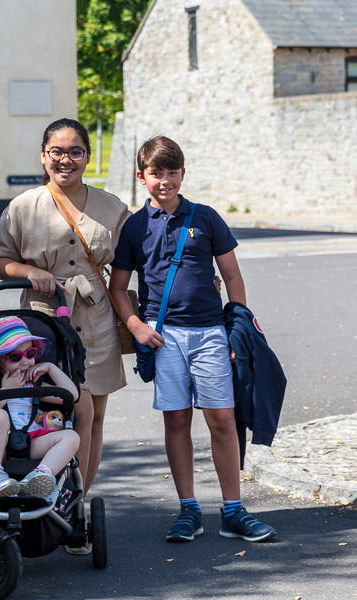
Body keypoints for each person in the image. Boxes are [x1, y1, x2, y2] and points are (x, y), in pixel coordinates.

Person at [109, 135, 277, 543]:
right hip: (162, 339)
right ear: (141, 177)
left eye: (172, 173)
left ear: (183, 174)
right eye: (156, 174)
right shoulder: (134, 226)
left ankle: (234, 510)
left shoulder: (205, 218)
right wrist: (136, 327)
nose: (164, 181)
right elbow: (117, 288)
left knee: (221, 419)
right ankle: (188, 509)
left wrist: (237, 330)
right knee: (177, 419)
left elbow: (233, 276)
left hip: (210, 334)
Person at [0, 118, 130, 504]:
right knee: (53, 413)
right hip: (43, 325)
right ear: (44, 156)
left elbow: (136, 264)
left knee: (91, 417)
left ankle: (75, 503)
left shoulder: (112, 208)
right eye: (57, 152)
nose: (66, 160)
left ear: (87, 156)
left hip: (95, 321)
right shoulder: (23, 207)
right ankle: (44, 492)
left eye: (75, 151)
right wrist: (30, 270)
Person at [0, 316, 80, 499]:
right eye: (15, 356)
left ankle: (40, 476)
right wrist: (5, 391)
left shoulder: (33, 386)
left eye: (30, 354)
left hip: (28, 440)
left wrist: (51, 368)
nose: (25, 361)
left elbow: (71, 395)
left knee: (71, 437)